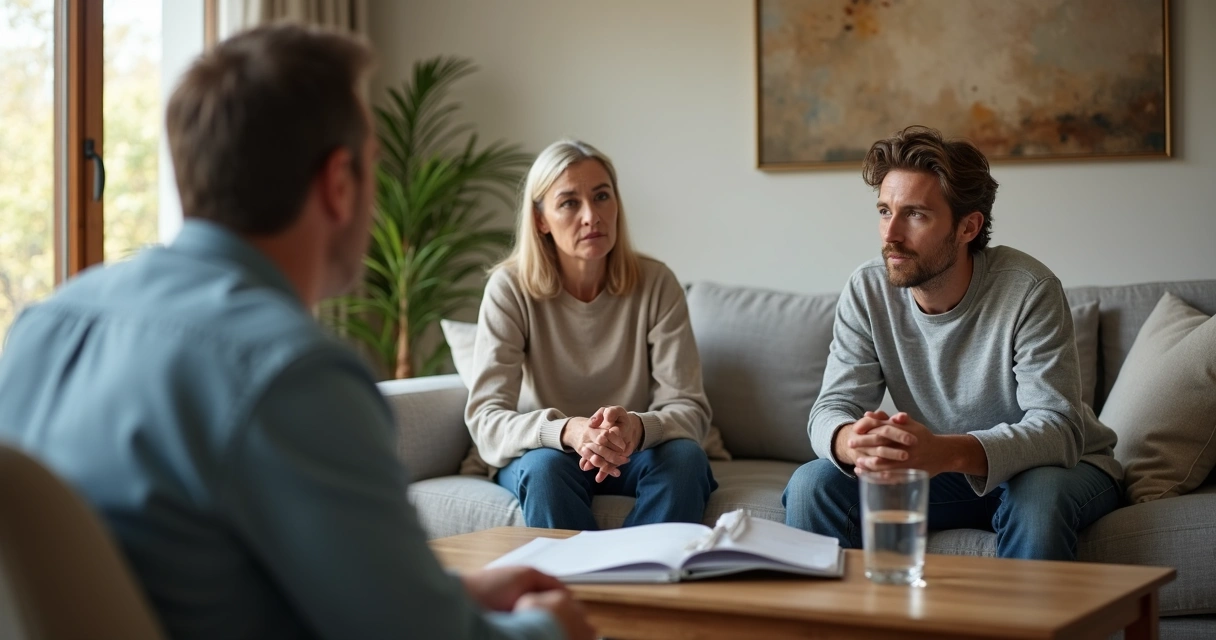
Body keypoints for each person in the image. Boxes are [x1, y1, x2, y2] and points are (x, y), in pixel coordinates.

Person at [0, 24, 592, 640]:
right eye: (372, 168)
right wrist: (551, 632)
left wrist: (449, 592)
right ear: (339, 184)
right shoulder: (290, 372)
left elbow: (192, 578)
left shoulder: (41, 328)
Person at [782, 126, 1122, 560]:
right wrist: (853, 441)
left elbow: (1058, 430)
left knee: (1038, 498)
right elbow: (829, 409)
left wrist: (943, 452)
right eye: (885, 211)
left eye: (915, 215)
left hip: (1061, 470)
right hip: (944, 475)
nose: (890, 235)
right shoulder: (868, 289)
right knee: (813, 485)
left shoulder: (1028, 288)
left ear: (968, 227)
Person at [464, 139, 718, 530]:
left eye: (602, 196)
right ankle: (576, 587)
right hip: (548, 451)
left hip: (632, 450)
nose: (591, 216)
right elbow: (486, 418)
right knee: (546, 470)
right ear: (540, 221)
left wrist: (636, 427)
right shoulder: (509, 288)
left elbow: (690, 408)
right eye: (569, 202)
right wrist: (567, 430)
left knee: (685, 460)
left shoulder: (656, 283)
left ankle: (643, 580)